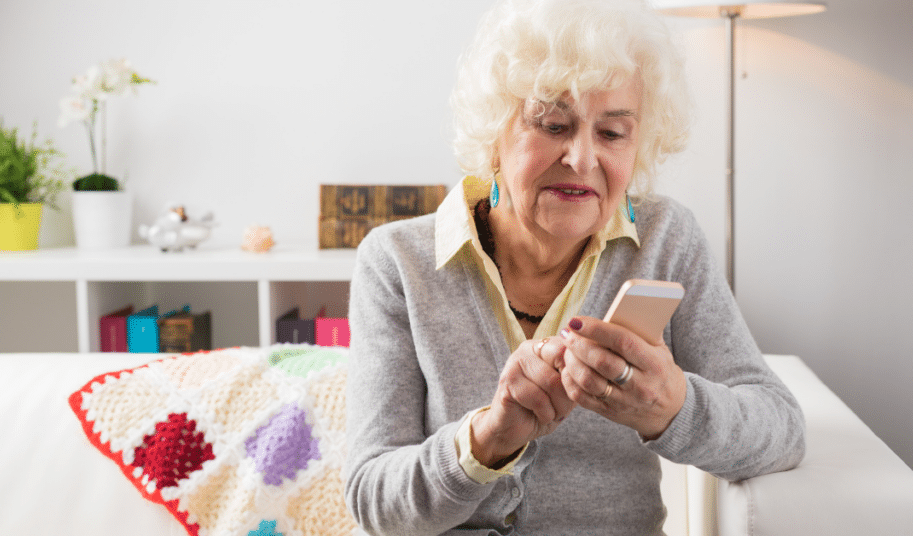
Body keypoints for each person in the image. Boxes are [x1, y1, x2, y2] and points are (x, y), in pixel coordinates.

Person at [344, 0, 806, 534]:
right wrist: (486, 440)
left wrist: (673, 408)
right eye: (552, 124)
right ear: (494, 135)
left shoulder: (666, 239)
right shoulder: (397, 261)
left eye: (612, 133)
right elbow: (372, 499)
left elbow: (781, 427)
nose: (582, 160)